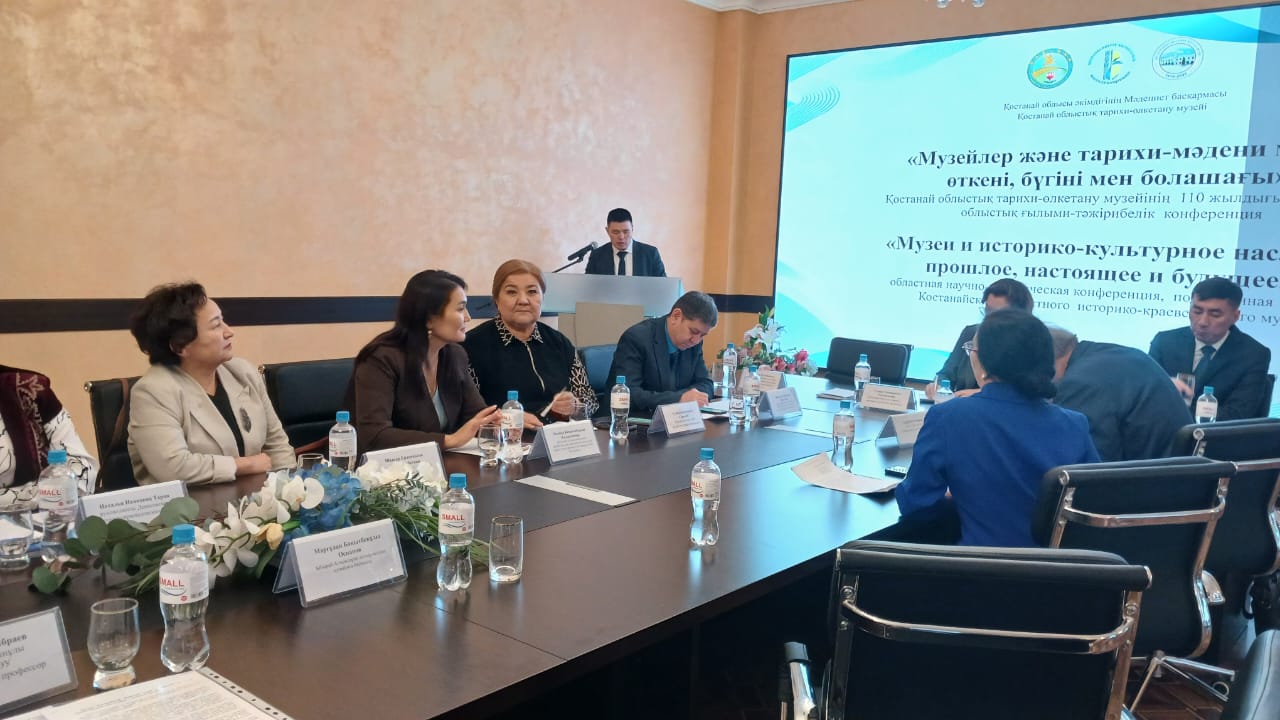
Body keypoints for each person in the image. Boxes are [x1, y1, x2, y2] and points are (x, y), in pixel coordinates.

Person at [896, 310, 1099, 547]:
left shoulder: (948, 417)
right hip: (1057, 567)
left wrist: (960, 497)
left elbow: (916, 504)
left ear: (984, 362)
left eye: (971, 349)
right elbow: (1094, 504)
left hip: (979, 566)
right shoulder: (1074, 424)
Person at [127, 283, 295, 485]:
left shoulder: (243, 373)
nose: (229, 332)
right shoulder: (152, 392)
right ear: (180, 346)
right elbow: (174, 468)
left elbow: (278, 446)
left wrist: (289, 491)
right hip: (190, 504)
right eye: (216, 325)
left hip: (258, 500)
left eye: (223, 321)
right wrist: (245, 465)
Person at [347, 270, 501, 454]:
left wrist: (498, 423)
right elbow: (374, 436)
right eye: (460, 309)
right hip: (382, 467)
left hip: (437, 462)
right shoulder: (381, 359)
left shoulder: (455, 355)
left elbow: (475, 416)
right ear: (428, 318)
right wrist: (449, 440)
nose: (468, 317)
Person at [464, 260, 598, 426]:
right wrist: (504, 418)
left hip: (560, 436)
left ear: (542, 298)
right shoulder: (471, 346)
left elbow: (591, 401)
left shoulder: (559, 342)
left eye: (532, 292)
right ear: (496, 299)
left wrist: (575, 405)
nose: (523, 300)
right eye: (512, 292)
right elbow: (465, 412)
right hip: (506, 437)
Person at [1049, 327, 1190, 462]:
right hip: (1178, 466)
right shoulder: (1115, 353)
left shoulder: (1079, 382)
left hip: (1155, 475)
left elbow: (1091, 465)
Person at [1149, 277, 1272, 420]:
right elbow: (1146, 398)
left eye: (1215, 315)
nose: (1203, 322)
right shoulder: (1165, 342)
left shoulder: (1253, 355)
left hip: (1216, 432)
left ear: (1235, 316)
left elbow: (1238, 414)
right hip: (1162, 430)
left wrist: (1174, 410)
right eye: (1197, 311)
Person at [926, 278, 1034, 400]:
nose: (989, 318)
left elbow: (1026, 390)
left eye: (997, 314)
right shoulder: (971, 333)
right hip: (962, 406)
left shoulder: (1031, 343)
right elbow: (946, 373)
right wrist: (939, 386)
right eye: (987, 311)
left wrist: (981, 393)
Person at [609, 291, 716, 413]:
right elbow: (628, 394)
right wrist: (679, 398)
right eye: (693, 331)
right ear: (676, 316)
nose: (696, 340)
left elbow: (705, 383)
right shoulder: (636, 338)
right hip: (630, 419)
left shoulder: (694, 343)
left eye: (702, 335)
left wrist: (688, 397)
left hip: (677, 418)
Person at [0, 366, 98, 500]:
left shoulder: (29, 389)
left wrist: (24, 498)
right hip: (46, 503)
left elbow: (84, 475)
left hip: (49, 512)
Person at [584, 208, 667, 277]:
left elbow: (662, 286)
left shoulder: (651, 254)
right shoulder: (597, 256)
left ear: (632, 229)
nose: (621, 237)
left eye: (626, 231)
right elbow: (589, 287)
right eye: (615, 232)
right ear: (607, 231)